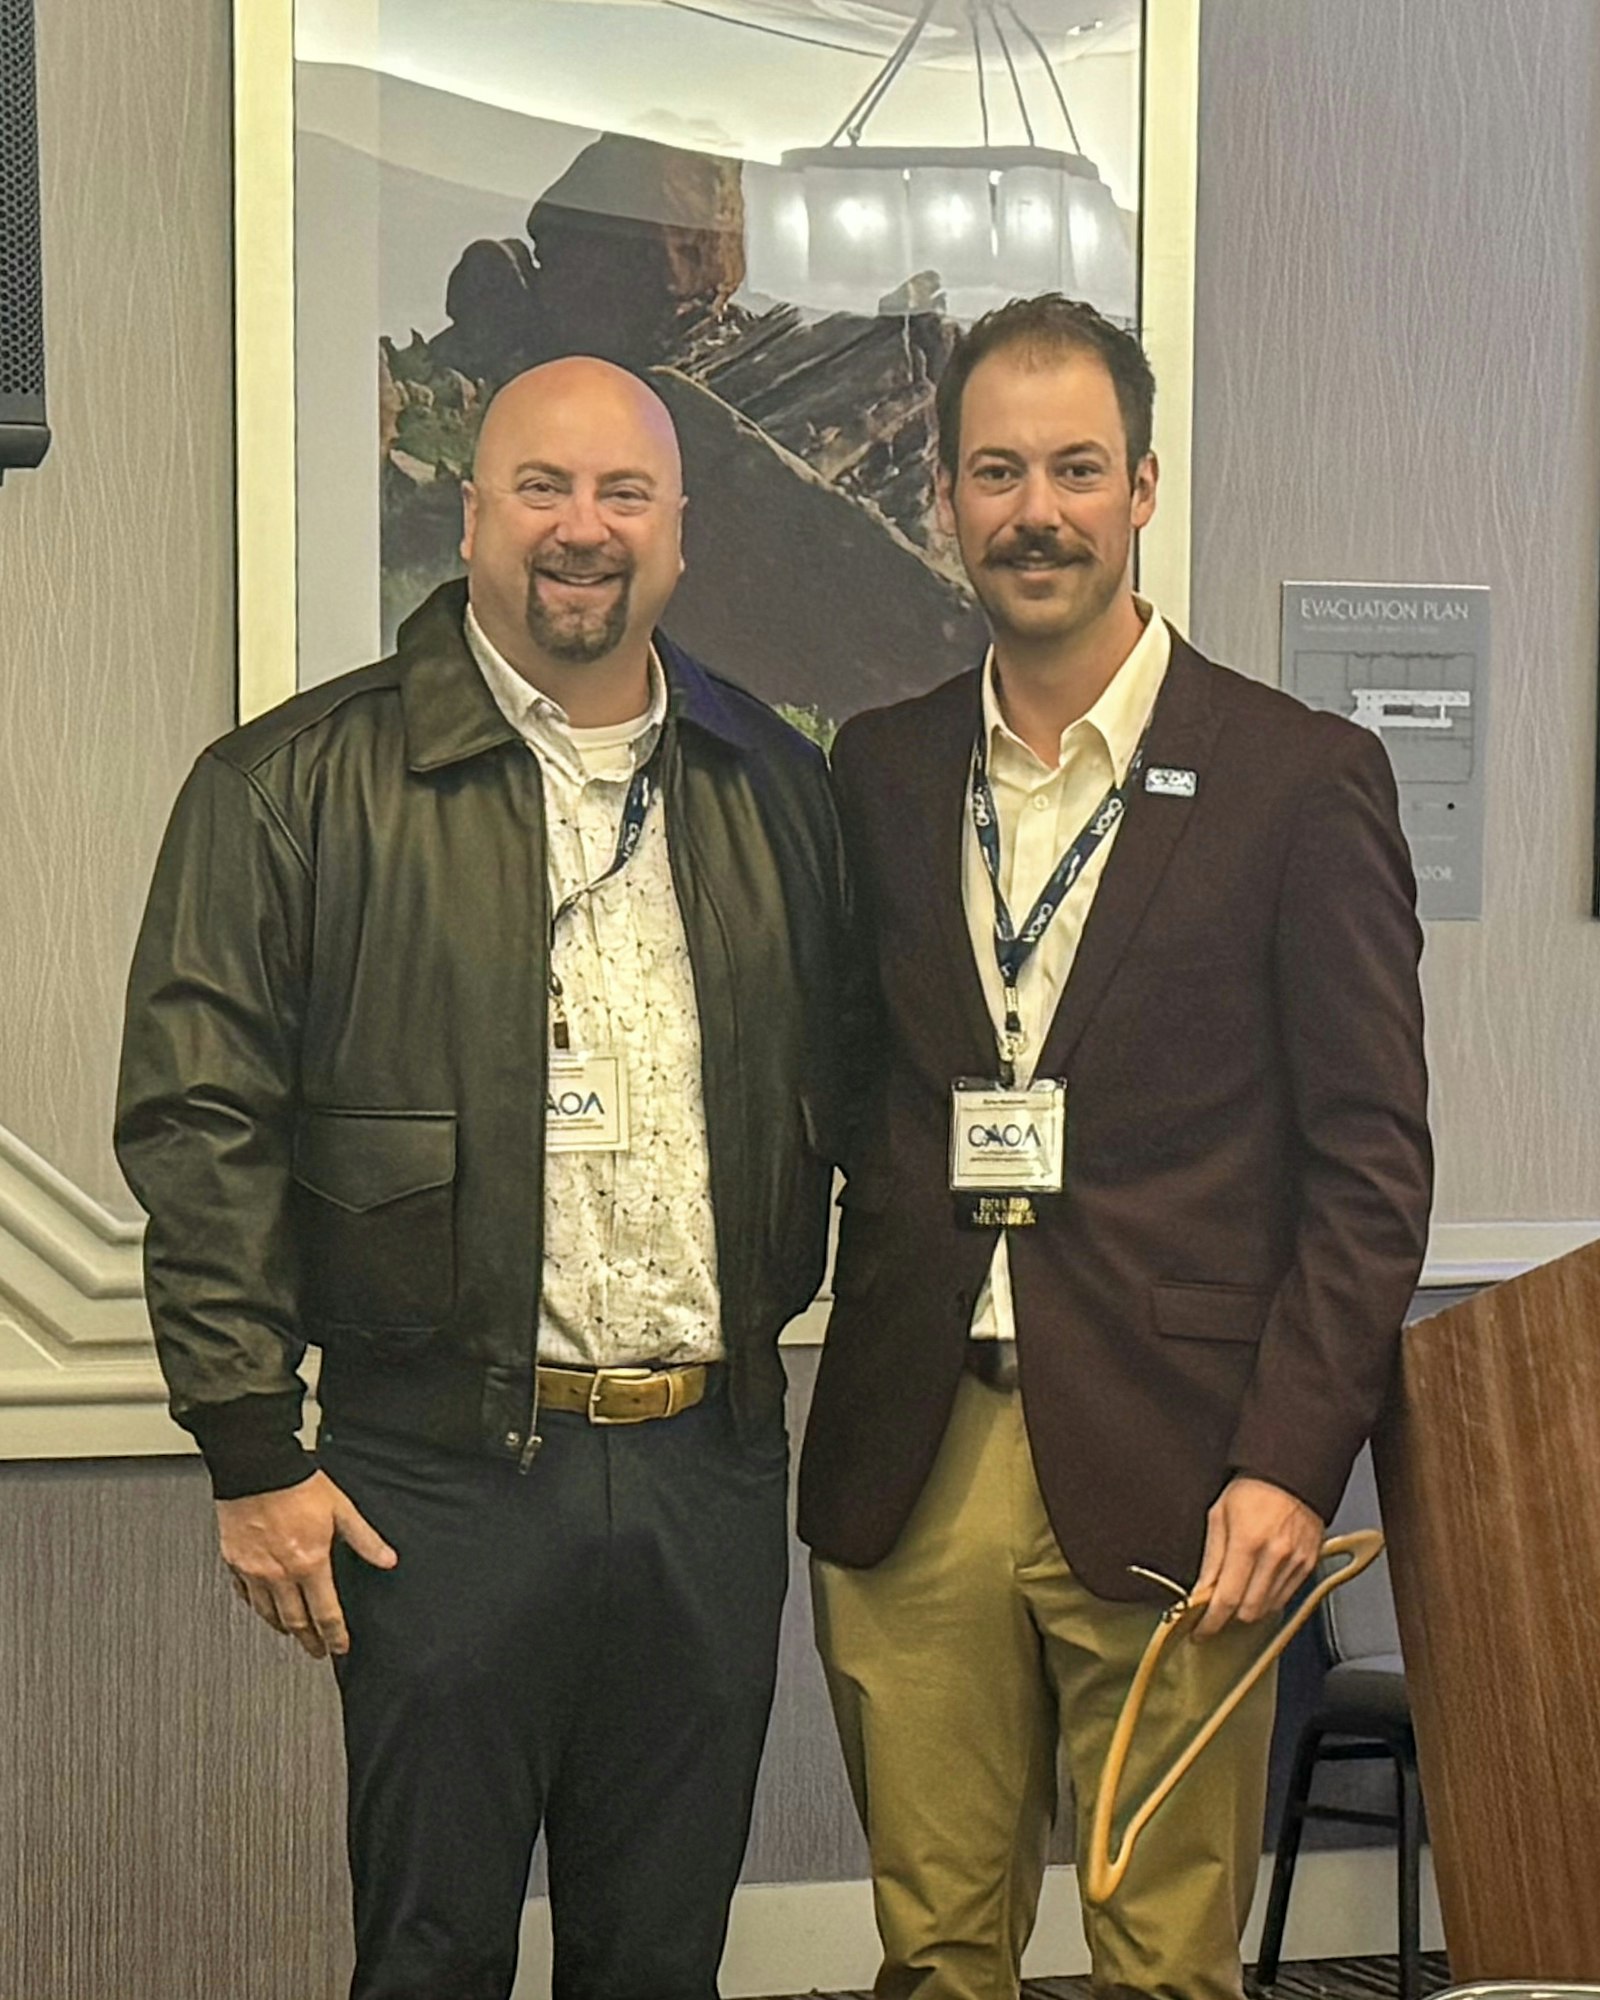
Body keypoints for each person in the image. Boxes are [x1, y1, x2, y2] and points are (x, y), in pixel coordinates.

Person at [115, 357, 850, 2000]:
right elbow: (197, 1120)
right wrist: (247, 1444)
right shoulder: (291, 790)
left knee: (661, 1957)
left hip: (710, 1469)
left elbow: (860, 1079)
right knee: (434, 1951)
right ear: (470, 514)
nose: (581, 531)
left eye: (623, 496)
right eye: (543, 488)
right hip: (432, 1482)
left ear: (680, 537)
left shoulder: (777, 790)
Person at [797, 296, 1432, 2000]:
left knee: (1165, 1962)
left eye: (1077, 468)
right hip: (916, 1455)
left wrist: (1295, 1463)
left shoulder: (1300, 780)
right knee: (932, 1957)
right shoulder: (881, 768)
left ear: (1143, 486)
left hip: (1188, 1468)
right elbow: (855, 1096)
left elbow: (1373, 1167)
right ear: (943, 499)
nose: (1037, 510)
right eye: (997, 471)